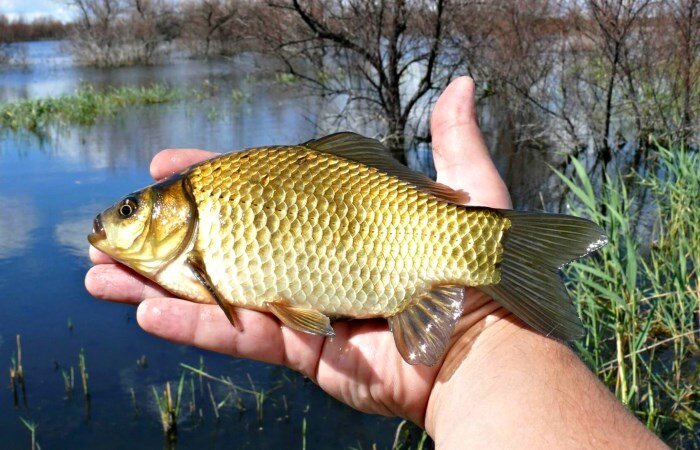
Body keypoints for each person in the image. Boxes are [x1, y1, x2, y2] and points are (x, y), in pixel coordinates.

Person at [86, 77, 666, 448]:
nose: (114, 223)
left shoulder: (207, 211)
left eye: (132, 210)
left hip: (395, 236)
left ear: (170, 210)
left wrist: (486, 339)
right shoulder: (198, 226)